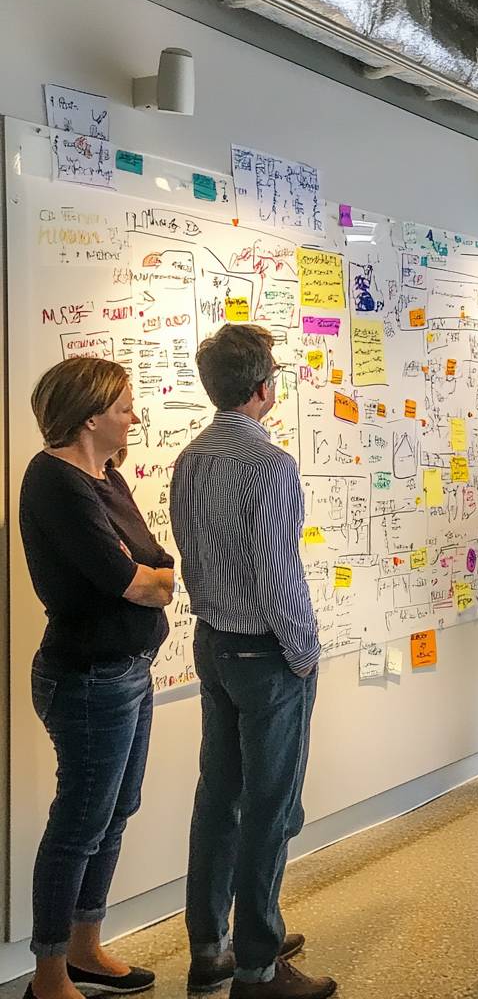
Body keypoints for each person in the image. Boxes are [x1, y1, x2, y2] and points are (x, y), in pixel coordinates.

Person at [170, 325, 335, 999]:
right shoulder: (270, 464)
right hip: (267, 655)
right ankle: (258, 968)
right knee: (270, 809)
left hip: (213, 643)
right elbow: (276, 575)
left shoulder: (191, 456)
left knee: (218, 798)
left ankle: (210, 947)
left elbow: (188, 551)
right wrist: (303, 652)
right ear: (265, 385)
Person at [20, 358, 175, 999]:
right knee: (79, 823)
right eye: (124, 407)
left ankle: (85, 949)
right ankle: (49, 976)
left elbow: (158, 566)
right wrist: (147, 579)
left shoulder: (107, 478)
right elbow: (132, 581)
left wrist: (149, 578)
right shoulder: (54, 480)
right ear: (91, 415)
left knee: (115, 814)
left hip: (129, 673)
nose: (133, 417)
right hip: (87, 678)